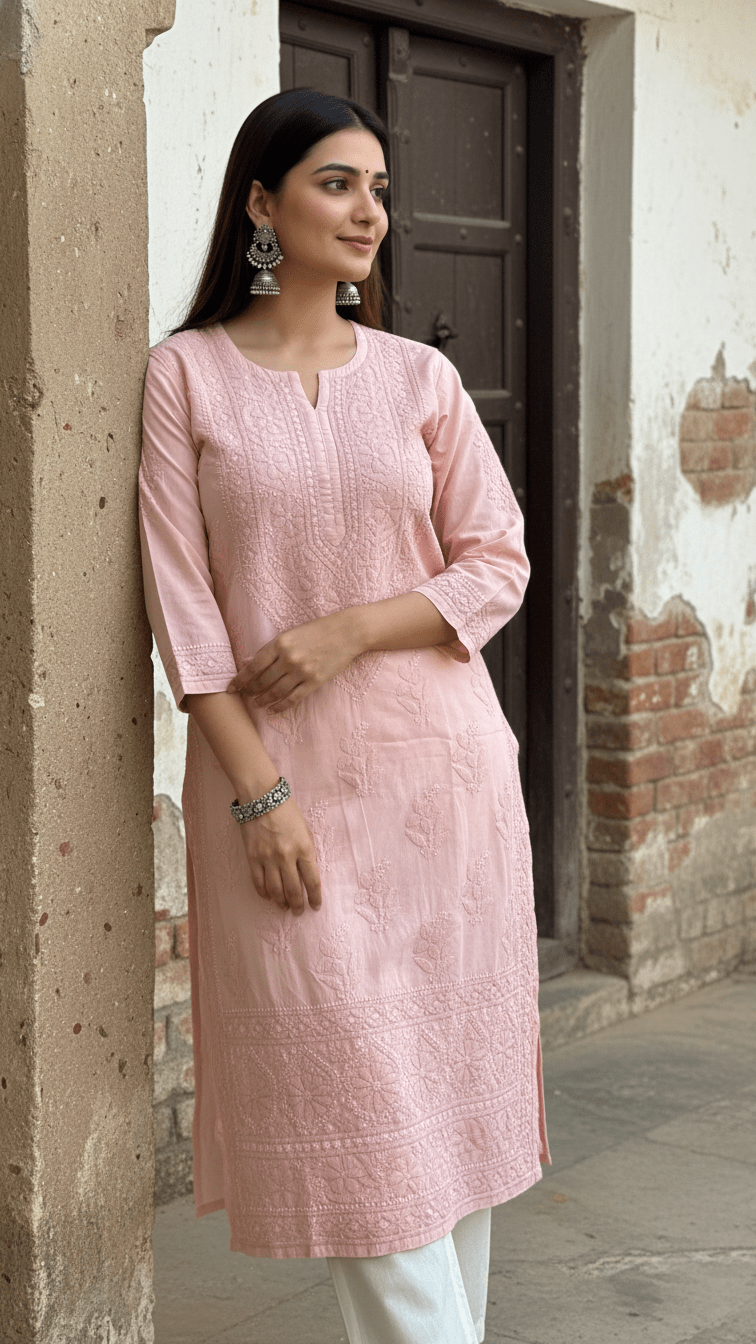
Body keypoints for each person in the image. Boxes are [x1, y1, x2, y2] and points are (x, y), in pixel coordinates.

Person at [139, 86, 549, 1344]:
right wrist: (260, 795)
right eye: (335, 183)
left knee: (450, 1133)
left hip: (444, 786)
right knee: (369, 1145)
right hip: (284, 804)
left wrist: (345, 631)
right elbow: (184, 614)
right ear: (262, 204)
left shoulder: (420, 376)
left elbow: (498, 559)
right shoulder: (186, 377)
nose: (367, 209)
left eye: (377, 187)